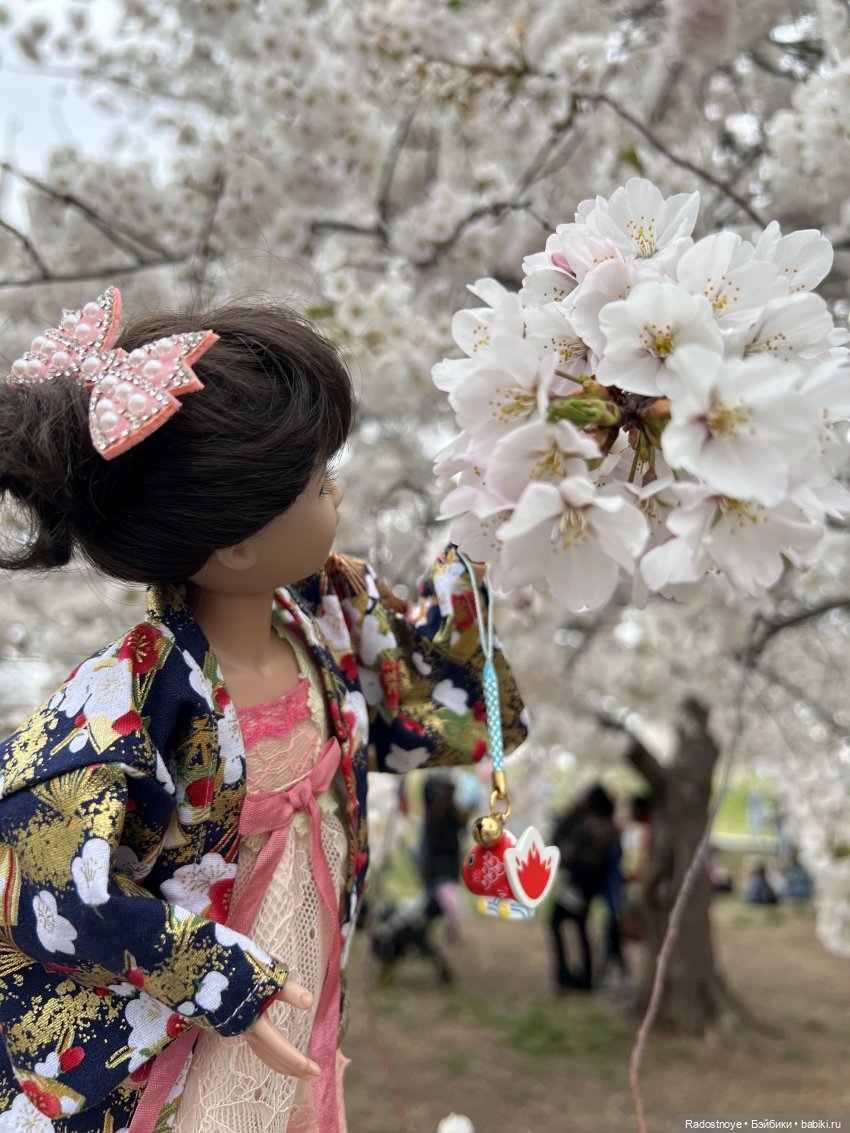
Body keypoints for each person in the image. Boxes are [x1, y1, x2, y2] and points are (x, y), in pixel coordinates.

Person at [0, 289, 527, 1132]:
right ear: (240, 540)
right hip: (199, 1018)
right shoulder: (132, 697)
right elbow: (46, 875)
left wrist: (507, 517)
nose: (339, 494)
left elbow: (410, 682)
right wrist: (210, 969)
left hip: (309, 954)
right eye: (320, 483)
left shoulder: (320, 611)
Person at [549, 785, 619, 992]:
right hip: (592, 886)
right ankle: (584, 977)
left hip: (578, 884)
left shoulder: (588, 825)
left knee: (556, 921)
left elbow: (568, 852)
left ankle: (565, 975)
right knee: (580, 926)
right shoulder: (611, 827)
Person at [420, 774, 470, 942]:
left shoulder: (452, 813)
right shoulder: (435, 813)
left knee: (444, 901)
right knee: (438, 901)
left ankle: (445, 928)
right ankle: (431, 929)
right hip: (437, 865)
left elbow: (463, 824)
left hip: (446, 865)